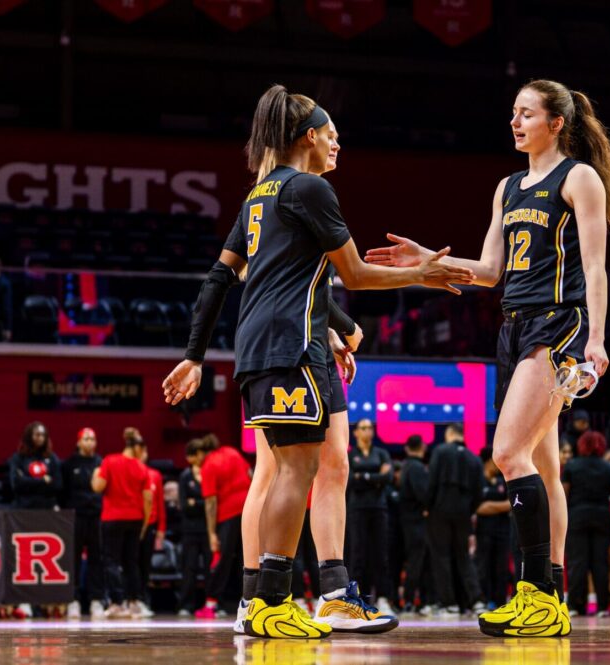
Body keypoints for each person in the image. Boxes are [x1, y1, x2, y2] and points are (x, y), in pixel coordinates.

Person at [162, 84, 472, 639]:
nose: (337, 145)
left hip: (273, 342)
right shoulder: (308, 189)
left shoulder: (260, 196)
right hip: (288, 344)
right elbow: (353, 273)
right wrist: (421, 273)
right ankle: (267, 602)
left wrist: (193, 357)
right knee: (293, 468)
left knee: (316, 464)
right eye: (331, 135)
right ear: (308, 137)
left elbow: (224, 279)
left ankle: (315, 597)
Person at [366, 79, 610, 637]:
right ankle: (551, 598)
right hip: (513, 327)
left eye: (526, 114)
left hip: (559, 324)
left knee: (507, 453)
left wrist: (596, 340)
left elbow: (597, 268)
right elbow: (489, 271)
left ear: (557, 123)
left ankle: (535, 596)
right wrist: (427, 263)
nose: (515, 122)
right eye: (513, 113)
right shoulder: (507, 187)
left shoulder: (579, 177)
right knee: (545, 467)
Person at [92, 427, 153, 619]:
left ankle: (117, 603)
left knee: (111, 561)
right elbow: (148, 499)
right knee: (131, 562)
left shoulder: (109, 461)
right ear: (136, 448)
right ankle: (134, 601)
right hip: (135, 519)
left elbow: (97, 487)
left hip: (112, 519)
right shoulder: (142, 468)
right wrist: (144, 524)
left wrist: (95, 474)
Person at [426, 424, 485, 616]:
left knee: (441, 556)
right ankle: (476, 600)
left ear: (449, 434)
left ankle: (448, 603)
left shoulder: (440, 452)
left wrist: (428, 507)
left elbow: (432, 482)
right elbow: (479, 492)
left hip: (440, 510)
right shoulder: (474, 459)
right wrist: (469, 510)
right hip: (463, 513)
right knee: (464, 557)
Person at [562, 431, 610, 616]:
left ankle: (574, 606)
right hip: (602, 517)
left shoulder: (572, 466)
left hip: (577, 516)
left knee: (577, 562)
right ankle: (603, 606)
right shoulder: (609, 468)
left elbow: (563, 494)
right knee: (600, 563)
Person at [194, 434, 251, 619]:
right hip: (249, 510)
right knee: (248, 558)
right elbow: (250, 474)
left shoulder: (208, 465)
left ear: (202, 452)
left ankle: (210, 604)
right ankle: (250, 601)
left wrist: (211, 533)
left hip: (228, 515)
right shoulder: (232, 452)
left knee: (221, 559)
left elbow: (210, 502)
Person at [347, 419, 395, 613]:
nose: (368, 431)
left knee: (381, 554)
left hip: (378, 508)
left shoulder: (381, 453)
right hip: (357, 509)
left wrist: (363, 476)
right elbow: (350, 480)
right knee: (358, 553)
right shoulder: (351, 456)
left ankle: (383, 597)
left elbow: (388, 478)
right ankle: (358, 597)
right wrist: (375, 477)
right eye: (364, 428)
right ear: (356, 432)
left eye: (370, 428)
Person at [61, 427, 105, 619]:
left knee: (97, 558)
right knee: (74, 559)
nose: (90, 442)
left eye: (93, 439)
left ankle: (96, 600)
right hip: (76, 516)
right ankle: (73, 599)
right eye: (86, 439)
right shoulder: (69, 464)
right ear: (78, 442)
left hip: (96, 516)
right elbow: (63, 492)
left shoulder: (100, 463)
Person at [177, 438, 211, 616]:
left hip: (207, 529)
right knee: (189, 568)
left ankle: (211, 604)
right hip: (190, 529)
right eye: (199, 453)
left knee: (209, 568)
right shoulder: (185, 476)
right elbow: (184, 505)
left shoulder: (209, 472)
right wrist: (202, 503)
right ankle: (186, 605)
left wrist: (195, 502)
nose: (202, 456)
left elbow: (212, 501)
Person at [476, 447, 512, 611]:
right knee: (484, 567)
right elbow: (477, 508)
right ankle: (484, 600)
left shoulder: (502, 479)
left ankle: (500, 602)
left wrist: (490, 505)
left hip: (503, 530)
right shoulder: (477, 480)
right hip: (483, 531)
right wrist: (499, 506)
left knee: (501, 567)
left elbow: (510, 504)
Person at [398, 435, 430, 612]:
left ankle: (411, 600)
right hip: (416, 521)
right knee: (417, 562)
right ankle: (412, 601)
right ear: (423, 447)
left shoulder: (405, 466)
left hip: (407, 521)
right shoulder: (417, 467)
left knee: (413, 561)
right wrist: (429, 508)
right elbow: (423, 494)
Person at [138, 443, 165, 617]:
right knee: (129, 564)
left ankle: (143, 599)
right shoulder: (129, 473)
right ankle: (131, 599)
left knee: (145, 565)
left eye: (145, 450)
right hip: (132, 523)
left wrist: (161, 529)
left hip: (150, 525)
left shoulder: (154, 475)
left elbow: (160, 503)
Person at [9, 421, 63, 510]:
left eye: (43, 435)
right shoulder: (18, 458)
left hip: (47, 507)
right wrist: (43, 481)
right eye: (37, 435)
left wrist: (26, 479)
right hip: (23, 506)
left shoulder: (52, 458)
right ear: (29, 436)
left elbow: (57, 485)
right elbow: (16, 484)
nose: (41, 438)